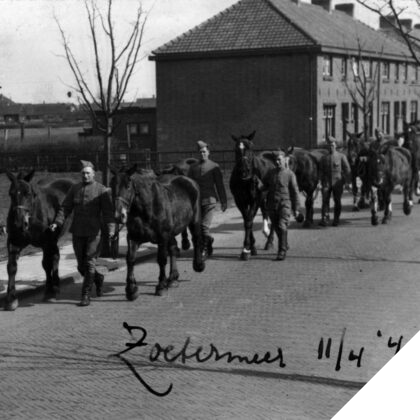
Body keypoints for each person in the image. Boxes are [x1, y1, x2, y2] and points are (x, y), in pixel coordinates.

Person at [49, 160, 115, 307]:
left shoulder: (101, 190)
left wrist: (111, 229)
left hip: (94, 232)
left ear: (93, 174)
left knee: (89, 262)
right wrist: (57, 222)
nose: (85, 176)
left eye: (88, 173)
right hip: (78, 231)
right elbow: (65, 208)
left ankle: (85, 295)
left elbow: (109, 212)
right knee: (80, 266)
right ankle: (98, 279)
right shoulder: (75, 189)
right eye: (83, 173)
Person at [188, 140, 227, 258]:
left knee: (204, 226)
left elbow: (219, 185)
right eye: (200, 152)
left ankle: (203, 250)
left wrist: (223, 201)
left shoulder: (214, 166)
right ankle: (208, 241)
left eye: (204, 152)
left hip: (210, 201)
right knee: (197, 227)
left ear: (208, 152)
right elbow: (189, 184)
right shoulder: (193, 167)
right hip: (196, 202)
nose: (202, 154)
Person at [260, 150, 301, 261]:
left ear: (284, 160)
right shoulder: (271, 173)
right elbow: (265, 186)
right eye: (276, 160)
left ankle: (281, 251)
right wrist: (259, 187)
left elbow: (295, 192)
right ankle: (284, 243)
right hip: (272, 205)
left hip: (285, 204)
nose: (277, 162)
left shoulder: (289, 174)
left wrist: (297, 209)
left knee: (282, 224)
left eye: (279, 160)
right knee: (277, 227)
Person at [319, 137, 351, 227]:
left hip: (337, 182)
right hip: (326, 182)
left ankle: (336, 219)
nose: (331, 147)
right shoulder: (323, 158)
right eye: (329, 145)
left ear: (336, 145)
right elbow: (320, 170)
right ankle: (325, 218)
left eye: (332, 145)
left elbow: (347, 169)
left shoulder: (341, 156)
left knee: (337, 201)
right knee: (325, 200)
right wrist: (319, 181)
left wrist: (347, 182)